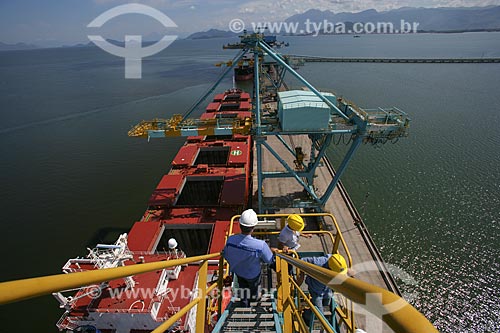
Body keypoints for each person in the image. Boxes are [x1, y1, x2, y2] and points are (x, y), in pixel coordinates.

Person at [223, 209, 275, 306]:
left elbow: (226, 254)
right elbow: (269, 260)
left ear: (240, 225)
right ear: (253, 227)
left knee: (243, 287)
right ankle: (254, 300)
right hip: (253, 274)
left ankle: (244, 303)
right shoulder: (260, 245)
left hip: (239, 271)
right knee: (253, 288)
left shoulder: (231, 240)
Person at [297, 253, 348, 326]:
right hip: (316, 290)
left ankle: (311, 309)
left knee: (327, 303)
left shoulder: (336, 262)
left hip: (326, 288)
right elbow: (302, 260)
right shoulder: (320, 262)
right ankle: (306, 315)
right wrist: (301, 276)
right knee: (319, 314)